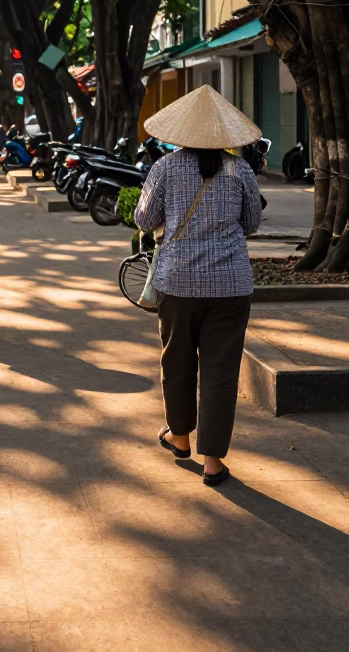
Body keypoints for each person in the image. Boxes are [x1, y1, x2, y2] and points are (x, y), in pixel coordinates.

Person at [134, 85, 263, 488]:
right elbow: (253, 224)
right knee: (221, 372)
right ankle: (212, 462)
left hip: (178, 283)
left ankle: (179, 437)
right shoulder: (239, 169)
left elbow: (143, 219)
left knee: (177, 363)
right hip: (231, 286)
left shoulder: (165, 168)